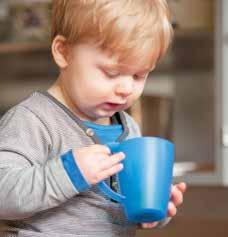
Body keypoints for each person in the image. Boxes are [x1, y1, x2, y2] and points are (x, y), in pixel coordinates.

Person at [0, 0, 186, 236]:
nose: (126, 88)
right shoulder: (33, 121)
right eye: (112, 73)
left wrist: (152, 208)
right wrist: (69, 173)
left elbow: (118, 210)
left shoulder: (128, 128)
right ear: (63, 52)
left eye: (139, 75)